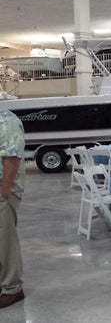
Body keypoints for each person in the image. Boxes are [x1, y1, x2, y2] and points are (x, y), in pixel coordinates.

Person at [0, 109, 25, 309]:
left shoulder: (7, 121)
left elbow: (12, 158)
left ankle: (12, 288)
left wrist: (4, 191)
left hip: (3, 192)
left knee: (4, 240)